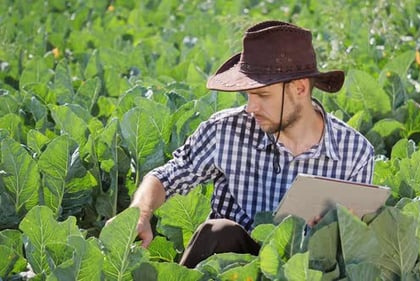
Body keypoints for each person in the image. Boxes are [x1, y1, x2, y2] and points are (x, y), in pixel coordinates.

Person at [110, 20, 374, 268]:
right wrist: (140, 213)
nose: (250, 107)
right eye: (248, 95)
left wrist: (339, 231)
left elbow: (355, 250)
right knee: (219, 231)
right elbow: (168, 176)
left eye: (262, 95)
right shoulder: (226, 130)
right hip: (230, 269)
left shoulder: (355, 153)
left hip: (303, 269)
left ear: (300, 89)